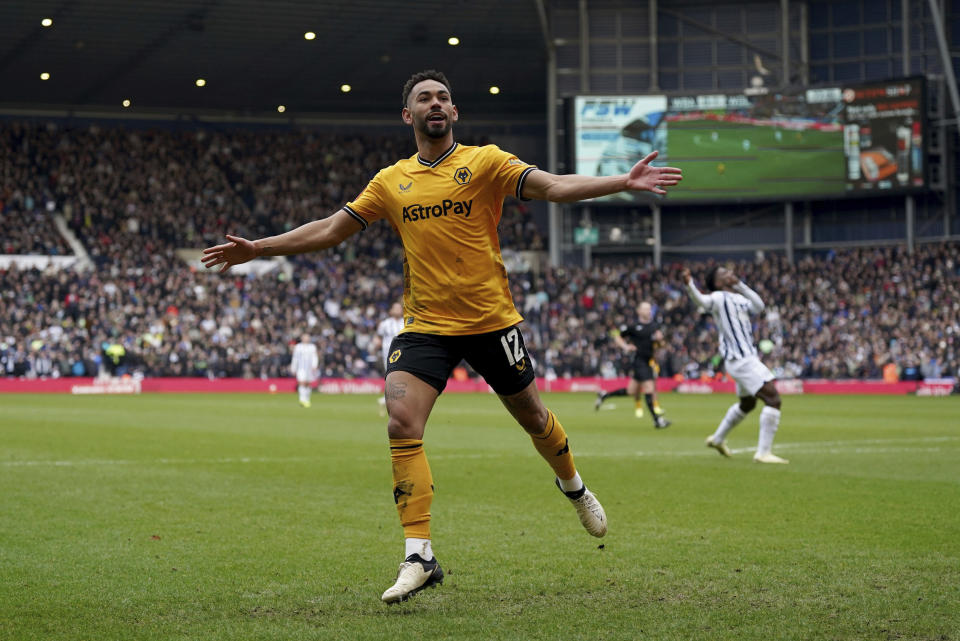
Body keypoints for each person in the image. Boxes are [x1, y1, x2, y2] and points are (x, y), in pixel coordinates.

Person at [202, 69, 683, 604]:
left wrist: (621, 181)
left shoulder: (485, 162)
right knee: (400, 418)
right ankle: (419, 555)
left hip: (492, 321)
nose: (436, 103)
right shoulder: (390, 181)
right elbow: (331, 229)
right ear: (407, 115)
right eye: (424, 98)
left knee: (533, 417)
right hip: (426, 325)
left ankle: (573, 486)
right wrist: (259, 249)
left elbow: (551, 187)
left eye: (444, 97)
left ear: (455, 113)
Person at [681, 266, 788, 464]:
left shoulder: (739, 299)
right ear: (718, 283)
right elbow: (702, 301)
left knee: (747, 404)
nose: (729, 273)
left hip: (744, 359)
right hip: (741, 360)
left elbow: (759, 306)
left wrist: (739, 285)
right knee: (773, 399)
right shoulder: (718, 298)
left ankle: (717, 439)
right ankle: (763, 453)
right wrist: (690, 285)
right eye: (723, 274)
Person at [595, 301, 671, 429]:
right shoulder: (634, 326)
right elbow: (617, 337)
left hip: (648, 361)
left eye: (649, 309)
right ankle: (657, 421)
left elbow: (661, 344)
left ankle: (604, 395)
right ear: (639, 311)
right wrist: (625, 346)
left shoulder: (654, 326)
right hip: (638, 361)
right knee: (649, 388)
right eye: (646, 309)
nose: (648, 311)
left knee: (631, 391)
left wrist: (661, 340)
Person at [376, 302, 406, 416]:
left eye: (399, 308)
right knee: (390, 376)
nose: (398, 310)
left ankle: (389, 399)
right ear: (391, 310)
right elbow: (378, 337)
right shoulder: (384, 324)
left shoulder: (405, 322)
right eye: (395, 308)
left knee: (402, 376)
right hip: (388, 354)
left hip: (403, 352)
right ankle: (390, 400)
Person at [290, 334, 319, 408]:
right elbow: (295, 358)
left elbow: (315, 357)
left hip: (309, 368)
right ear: (302, 339)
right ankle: (302, 400)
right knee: (301, 383)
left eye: (308, 338)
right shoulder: (298, 347)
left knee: (308, 384)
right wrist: (293, 367)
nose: (306, 339)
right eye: (305, 338)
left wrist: (314, 365)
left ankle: (307, 399)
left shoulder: (312, 347)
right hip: (301, 368)